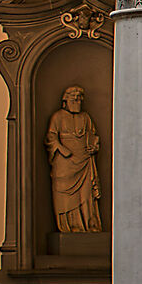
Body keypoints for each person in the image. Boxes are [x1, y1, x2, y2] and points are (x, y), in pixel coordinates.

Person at [48, 85, 103, 233]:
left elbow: (93, 136)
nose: (77, 101)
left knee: (85, 196)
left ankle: (89, 225)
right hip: (64, 164)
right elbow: (51, 137)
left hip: (84, 161)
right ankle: (71, 226)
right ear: (66, 100)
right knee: (64, 196)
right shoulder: (58, 117)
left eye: (79, 99)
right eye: (74, 98)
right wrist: (61, 148)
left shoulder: (85, 118)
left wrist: (93, 146)